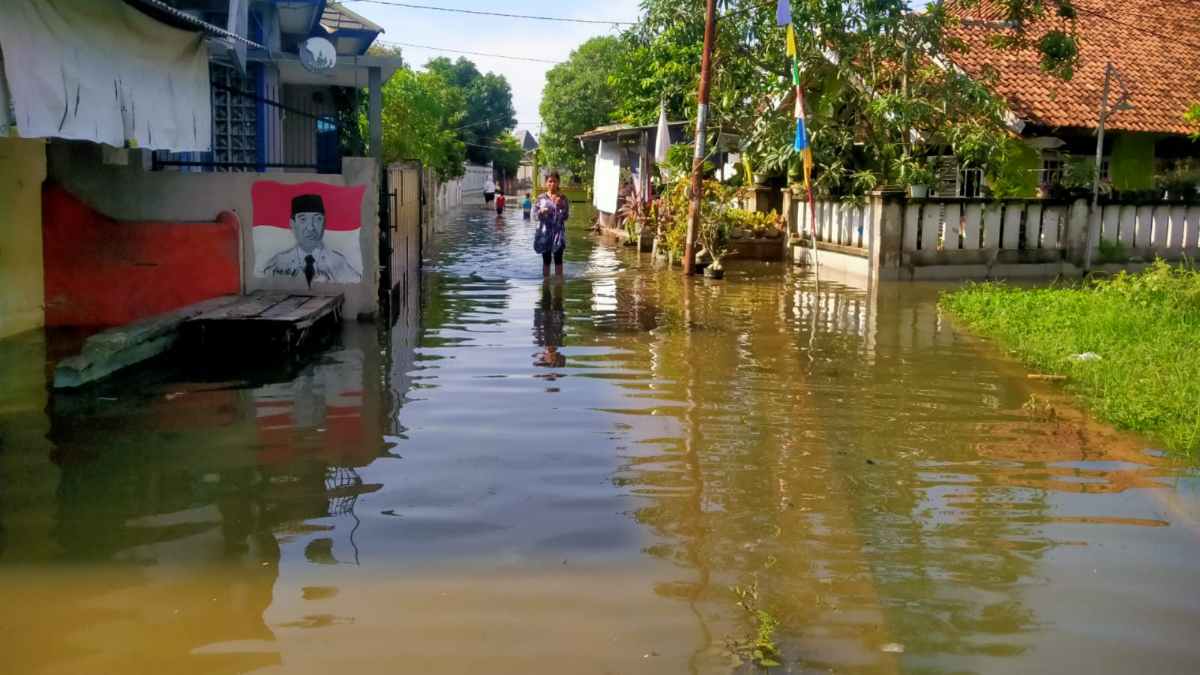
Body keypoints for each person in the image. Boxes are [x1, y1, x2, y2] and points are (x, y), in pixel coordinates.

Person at [263, 194, 362, 287]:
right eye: (303, 219)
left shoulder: (339, 262)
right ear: (292, 224)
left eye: (317, 219)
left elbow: (357, 286)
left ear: (324, 223)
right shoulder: (279, 262)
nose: (310, 227)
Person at [534, 172, 569, 277]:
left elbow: (566, 216)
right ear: (546, 183)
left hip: (558, 233)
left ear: (558, 183)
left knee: (558, 259)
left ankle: (559, 284)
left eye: (554, 181)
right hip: (545, 233)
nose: (552, 183)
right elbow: (534, 215)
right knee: (546, 259)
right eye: (550, 181)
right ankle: (546, 283)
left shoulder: (563, 198)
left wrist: (561, 207)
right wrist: (541, 211)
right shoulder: (541, 198)